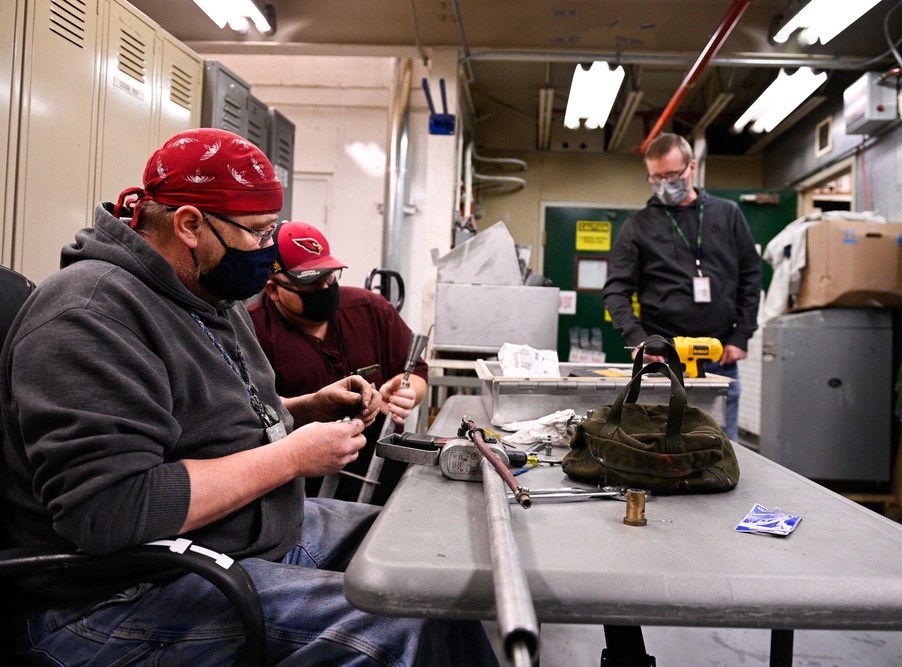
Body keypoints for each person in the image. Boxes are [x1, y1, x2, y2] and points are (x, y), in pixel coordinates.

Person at [0, 128, 497, 666]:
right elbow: (111, 510)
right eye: (259, 234)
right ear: (191, 225)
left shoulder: (204, 290)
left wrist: (308, 406)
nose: (267, 251)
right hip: (117, 593)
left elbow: (202, 426)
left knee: (428, 561)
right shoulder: (91, 316)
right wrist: (292, 457)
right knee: (393, 620)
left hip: (236, 537)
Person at [249, 220, 428, 504]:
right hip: (303, 493)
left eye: (330, 276)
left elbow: (416, 371)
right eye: (309, 282)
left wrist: (407, 393)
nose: (324, 287)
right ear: (273, 290)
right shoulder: (251, 332)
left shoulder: (371, 308)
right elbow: (252, 419)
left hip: (382, 472)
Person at [603, 132, 761, 442]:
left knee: (718, 448)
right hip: (660, 361)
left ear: (691, 168)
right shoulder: (638, 225)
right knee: (657, 445)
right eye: (656, 177)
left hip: (718, 357)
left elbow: (751, 276)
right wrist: (637, 338)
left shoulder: (727, 214)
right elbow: (616, 289)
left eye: (672, 175)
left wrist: (741, 334)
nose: (664, 184)